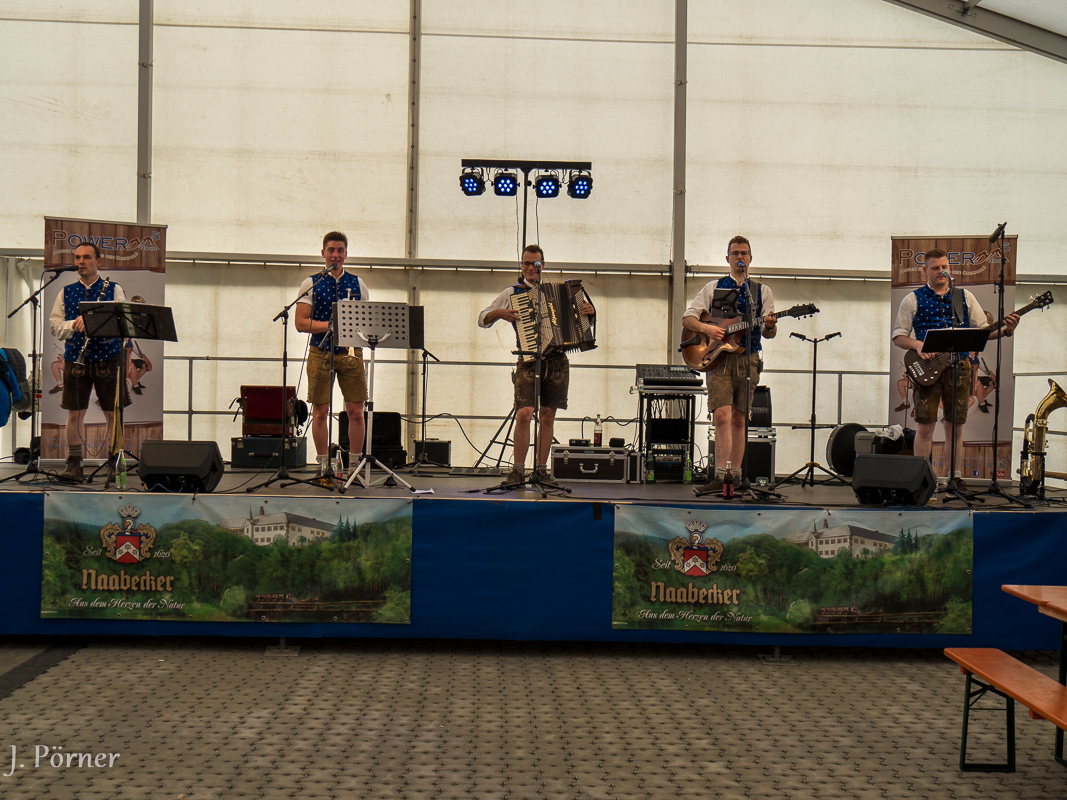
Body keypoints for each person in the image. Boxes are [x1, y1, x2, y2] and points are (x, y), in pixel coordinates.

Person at [891, 248, 1018, 481]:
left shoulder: (964, 296)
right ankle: (921, 481)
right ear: (925, 271)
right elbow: (898, 336)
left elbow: (983, 332)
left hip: (960, 368)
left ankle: (955, 479)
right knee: (925, 426)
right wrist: (917, 344)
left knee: (956, 426)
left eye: (945, 267)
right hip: (927, 369)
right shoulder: (912, 299)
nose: (942, 271)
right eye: (936, 268)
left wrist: (1007, 330)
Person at [479, 244, 594, 488]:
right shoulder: (512, 292)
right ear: (521, 265)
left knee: (548, 415)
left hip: (557, 360)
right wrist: (499, 312)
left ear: (543, 265)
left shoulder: (562, 291)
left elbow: (582, 323)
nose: (530, 268)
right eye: (526, 263)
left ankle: (541, 471)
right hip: (528, 359)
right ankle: (518, 471)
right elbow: (482, 318)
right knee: (524, 412)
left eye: (535, 263)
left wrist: (589, 312)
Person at [683, 235, 777, 496]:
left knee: (740, 418)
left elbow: (768, 333)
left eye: (744, 253)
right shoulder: (713, 288)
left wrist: (770, 325)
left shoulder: (762, 291)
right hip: (719, 357)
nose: (740, 257)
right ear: (728, 258)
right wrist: (707, 330)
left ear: (750, 258)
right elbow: (688, 319)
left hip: (749, 358)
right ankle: (720, 475)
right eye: (735, 253)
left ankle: (734, 476)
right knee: (722, 415)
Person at [48, 241, 128, 482]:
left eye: (86, 257)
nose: (80, 261)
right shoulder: (65, 291)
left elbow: (123, 324)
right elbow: (55, 327)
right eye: (77, 257)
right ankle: (74, 464)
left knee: (112, 415)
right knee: (74, 414)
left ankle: (114, 463)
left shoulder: (114, 289)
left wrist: (94, 321)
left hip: (109, 359)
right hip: (76, 360)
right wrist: (75, 324)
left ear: (98, 262)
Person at [295, 231, 369, 487]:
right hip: (321, 350)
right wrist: (332, 325)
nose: (335, 255)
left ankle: (355, 467)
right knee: (320, 412)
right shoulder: (311, 283)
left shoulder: (358, 284)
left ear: (346, 254)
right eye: (331, 250)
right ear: (323, 253)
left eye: (340, 250)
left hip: (351, 353)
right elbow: (300, 322)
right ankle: (324, 466)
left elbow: (366, 321)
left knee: (356, 412)